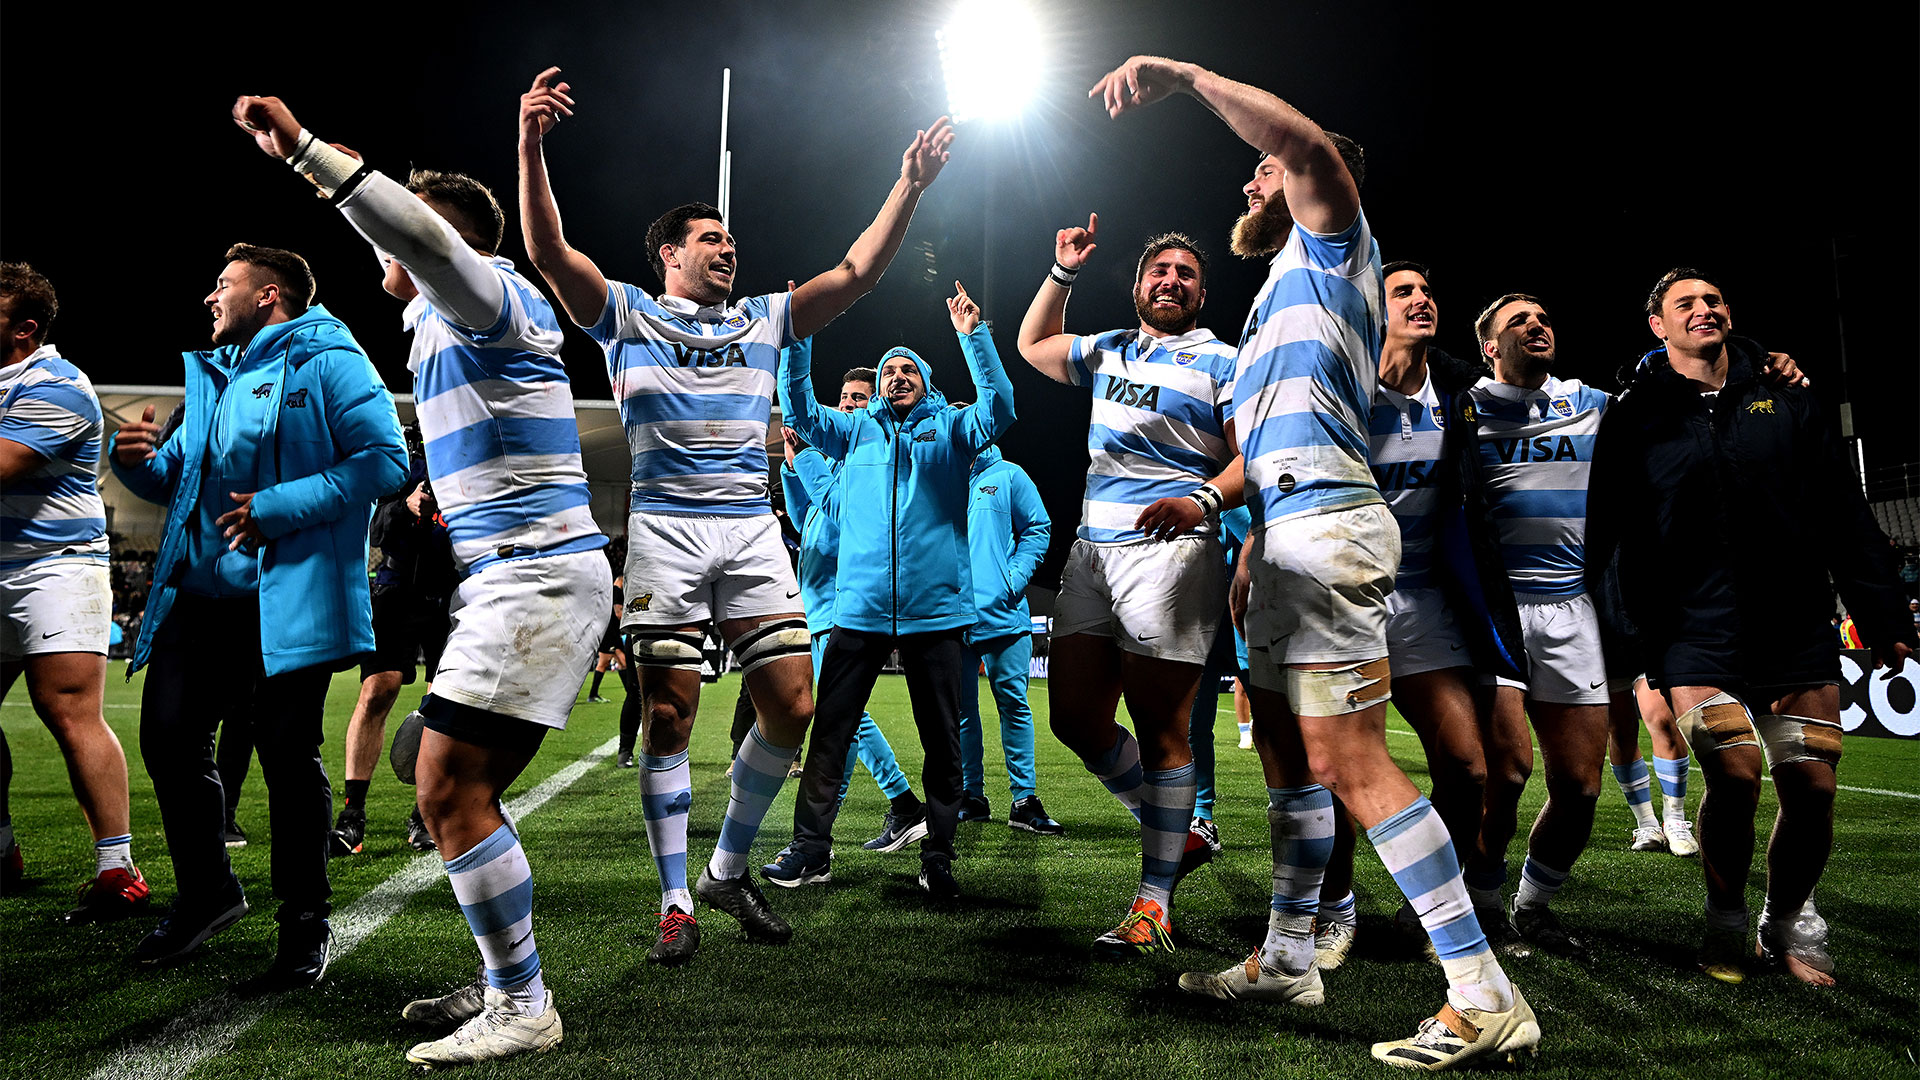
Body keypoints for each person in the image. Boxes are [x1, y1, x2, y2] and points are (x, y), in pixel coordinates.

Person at [1085, 55, 1538, 1068]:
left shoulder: (1335, 246)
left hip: (1330, 528)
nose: (1249, 180)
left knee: (1350, 762)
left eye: (1261, 170)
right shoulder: (1272, 303)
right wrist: (1226, 517)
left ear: (1300, 179)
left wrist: (1181, 74)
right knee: (1288, 756)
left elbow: (1303, 146)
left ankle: (1481, 989)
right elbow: (1269, 444)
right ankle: (1290, 955)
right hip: (1284, 538)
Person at [516, 68, 954, 955]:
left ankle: (725, 870)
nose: (728, 249)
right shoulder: (627, 313)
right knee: (669, 715)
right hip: (667, 530)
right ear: (669, 254)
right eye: (711, 239)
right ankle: (676, 898)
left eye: (731, 240)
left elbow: (858, 272)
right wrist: (530, 146)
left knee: (792, 705)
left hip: (751, 527)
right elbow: (551, 254)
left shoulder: (763, 317)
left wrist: (909, 183)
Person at [231, 94, 614, 1062]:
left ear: (439, 235)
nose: (380, 250)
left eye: (402, 226)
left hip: (531, 578)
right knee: (456, 788)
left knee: (443, 786)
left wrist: (311, 155)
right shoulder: (450, 310)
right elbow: (393, 224)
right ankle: (504, 982)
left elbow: (417, 234)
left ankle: (524, 1003)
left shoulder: (478, 291)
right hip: (514, 577)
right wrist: (311, 157)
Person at [1588, 268, 1917, 986]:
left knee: (1814, 791)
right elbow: (1611, 536)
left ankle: (1786, 918)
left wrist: (1883, 612)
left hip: (1793, 624)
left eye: (1713, 300)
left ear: (1729, 314)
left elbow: (1841, 509)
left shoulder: (1787, 396)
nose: (1704, 310)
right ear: (1658, 326)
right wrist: (1628, 639)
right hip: (1693, 630)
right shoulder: (1635, 414)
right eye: (1686, 304)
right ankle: (1726, 917)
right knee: (1733, 777)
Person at [110, 241, 406, 988]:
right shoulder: (215, 376)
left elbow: (385, 462)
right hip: (199, 597)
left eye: (223, 284)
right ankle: (209, 894)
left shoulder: (331, 359)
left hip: (288, 598)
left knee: (286, 758)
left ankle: (304, 925)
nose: (211, 298)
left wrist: (279, 508)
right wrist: (135, 460)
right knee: (169, 741)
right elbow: (176, 479)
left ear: (269, 294)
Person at [1015, 222, 1243, 955]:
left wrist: (1204, 501)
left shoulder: (1224, 361)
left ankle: (1153, 903)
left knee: (1161, 729)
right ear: (1140, 285)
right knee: (1074, 721)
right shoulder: (1110, 346)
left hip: (1172, 553)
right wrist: (1061, 271)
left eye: (1185, 272)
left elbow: (1253, 459)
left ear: (1202, 292)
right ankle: (1180, 828)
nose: (1171, 280)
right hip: (1091, 552)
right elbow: (1032, 345)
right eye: (1158, 270)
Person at [770, 285, 1015, 898]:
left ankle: (939, 854)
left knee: (942, 738)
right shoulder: (854, 434)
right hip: (859, 608)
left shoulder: (955, 431)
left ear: (926, 383)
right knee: (830, 730)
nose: (897, 377)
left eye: (908, 370)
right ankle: (810, 849)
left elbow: (1001, 406)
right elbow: (797, 414)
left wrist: (972, 337)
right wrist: (797, 342)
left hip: (935, 611)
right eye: (888, 371)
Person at [1315, 261, 1514, 966]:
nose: (1422, 300)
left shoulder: (1459, 387)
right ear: (1377, 309)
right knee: (1339, 771)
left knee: (1470, 769)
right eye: (1404, 292)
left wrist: (1753, 364)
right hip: (1348, 599)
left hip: (1427, 599)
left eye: (1429, 291)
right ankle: (1333, 912)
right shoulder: (1342, 382)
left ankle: (1425, 913)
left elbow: (1538, 383)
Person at [0, 262, 149, 924]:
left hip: (53, 568)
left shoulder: (57, 386)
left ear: (24, 328)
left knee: (67, 710)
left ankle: (117, 869)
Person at [777, 370, 926, 860]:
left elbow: (844, 523)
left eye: (858, 399)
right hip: (818, 603)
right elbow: (808, 523)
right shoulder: (834, 465)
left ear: (875, 408)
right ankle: (855, 824)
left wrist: (812, 460)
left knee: (842, 716)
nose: (846, 406)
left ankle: (897, 805)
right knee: (838, 718)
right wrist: (792, 466)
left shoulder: (870, 463)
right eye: (841, 398)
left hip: (846, 604)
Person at [332, 428, 455, 858]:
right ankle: (352, 816)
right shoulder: (401, 461)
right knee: (376, 690)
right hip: (398, 589)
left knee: (443, 702)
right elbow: (375, 528)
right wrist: (406, 507)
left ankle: (426, 815)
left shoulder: (469, 457)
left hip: (454, 593)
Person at [958, 444, 1058, 834]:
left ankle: (1024, 800)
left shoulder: (1008, 474)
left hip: (1003, 614)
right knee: (963, 711)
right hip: (951, 616)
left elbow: (1038, 528)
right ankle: (972, 796)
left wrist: (1010, 581)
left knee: (1013, 705)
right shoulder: (941, 476)